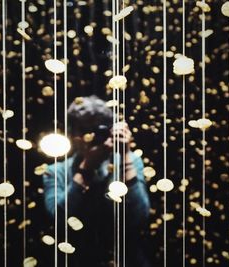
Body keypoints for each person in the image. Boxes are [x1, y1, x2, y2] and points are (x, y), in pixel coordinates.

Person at [42, 95, 151, 267]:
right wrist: (86, 169)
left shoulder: (129, 161)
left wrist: (126, 155)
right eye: (84, 129)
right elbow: (59, 220)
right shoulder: (56, 171)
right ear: (71, 133)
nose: (91, 136)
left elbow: (140, 217)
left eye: (98, 129)